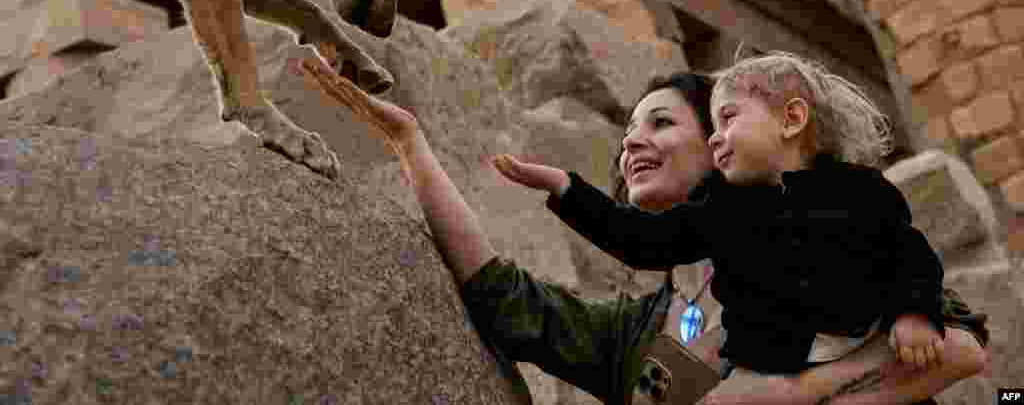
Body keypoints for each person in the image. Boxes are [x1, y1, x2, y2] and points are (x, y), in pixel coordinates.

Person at [299, 57, 988, 405]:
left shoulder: (819, 244)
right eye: (627, 134)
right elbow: (506, 298)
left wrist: (799, 392)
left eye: (661, 122)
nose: (633, 145)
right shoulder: (640, 330)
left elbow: (957, 343)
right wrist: (411, 147)